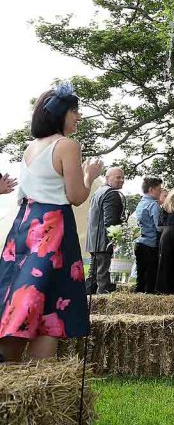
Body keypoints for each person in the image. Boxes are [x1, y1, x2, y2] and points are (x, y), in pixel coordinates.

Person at [0, 84, 102, 362]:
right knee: (51, 310)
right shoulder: (67, 145)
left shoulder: (30, 148)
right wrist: (89, 175)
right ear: (60, 113)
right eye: (74, 111)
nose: (78, 117)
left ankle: (10, 369)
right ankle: (36, 380)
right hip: (52, 229)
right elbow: (77, 196)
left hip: (24, 228)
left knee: (20, 300)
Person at [84, 166, 125, 294]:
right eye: (118, 177)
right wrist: (117, 240)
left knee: (93, 278)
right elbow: (111, 223)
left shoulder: (99, 191)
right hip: (104, 242)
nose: (122, 180)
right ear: (107, 178)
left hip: (94, 241)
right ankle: (104, 306)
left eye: (123, 178)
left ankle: (88, 305)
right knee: (104, 279)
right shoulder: (112, 194)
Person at [134, 176, 163, 293]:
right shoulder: (153, 205)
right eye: (159, 189)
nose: (160, 191)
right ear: (151, 189)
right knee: (151, 275)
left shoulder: (140, 204)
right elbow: (159, 226)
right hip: (151, 244)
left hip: (140, 243)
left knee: (141, 275)